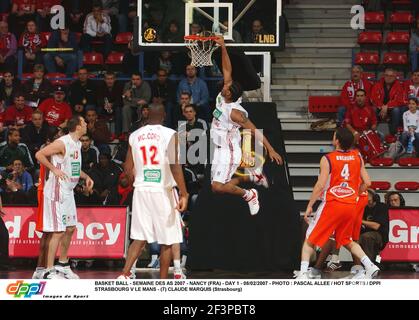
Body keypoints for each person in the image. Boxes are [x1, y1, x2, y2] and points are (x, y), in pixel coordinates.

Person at [210, 36, 283, 216]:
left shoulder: (236, 113)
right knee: (216, 188)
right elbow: (227, 68)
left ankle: (249, 195)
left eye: (226, 87)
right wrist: (223, 48)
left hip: (229, 151)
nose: (224, 85)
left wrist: (270, 149)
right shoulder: (223, 97)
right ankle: (251, 177)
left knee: (218, 187)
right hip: (219, 149)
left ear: (229, 94)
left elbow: (254, 130)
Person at [296, 128, 380, 279]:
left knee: (310, 238)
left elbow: (320, 185)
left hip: (333, 203)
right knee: (346, 239)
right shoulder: (357, 157)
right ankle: (370, 266)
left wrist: (310, 205)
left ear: (337, 141)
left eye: (334, 136)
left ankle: (302, 273)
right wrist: (355, 193)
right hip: (350, 204)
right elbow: (368, 182)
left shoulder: (328, 158)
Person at [117, 103, 189, 280]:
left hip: (141, 190)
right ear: (164, 115)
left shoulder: (135, 135)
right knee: (166, 239)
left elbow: (127, 168)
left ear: (147, 114)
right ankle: (163, 282)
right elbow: (174, 165)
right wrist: (184, 193)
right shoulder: (170, 134)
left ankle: (124, 275)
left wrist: (136, 178)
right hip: (162, 190)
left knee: (140, 236)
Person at [35, 115, 94, 279]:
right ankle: (48, 270)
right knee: (58, 231)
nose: (86, 124)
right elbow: (39, 154)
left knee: (70, 228)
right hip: (56, 191)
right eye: (84, 122)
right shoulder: (63, 142)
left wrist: (86, 176)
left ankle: (63, 264)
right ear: (77, 126)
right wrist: (54, 169)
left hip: (69, 191)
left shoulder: (77, 143)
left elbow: (73, 168)